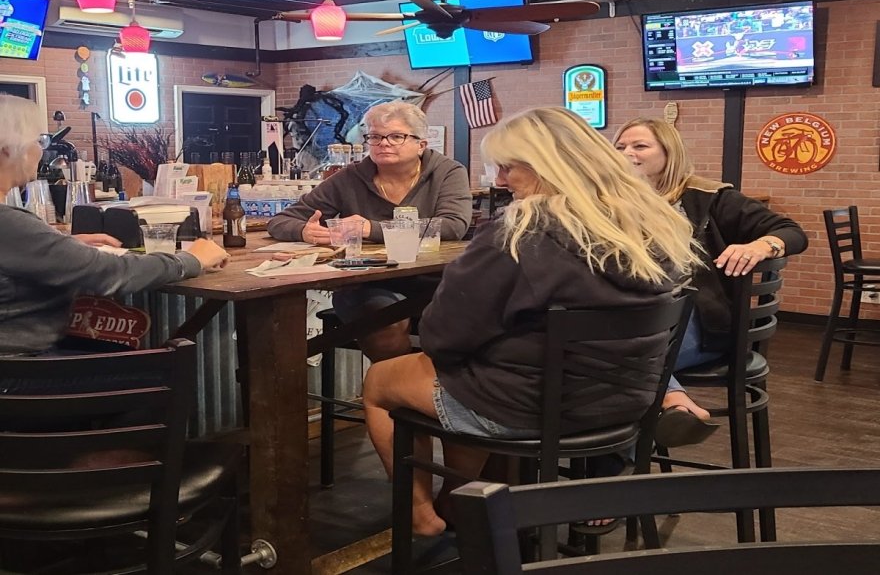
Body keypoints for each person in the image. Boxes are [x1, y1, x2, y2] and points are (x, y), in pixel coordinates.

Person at [362, 106, 702, 536]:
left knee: (382, 381)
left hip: (530, 406)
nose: (501, 180)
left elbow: (441, 336)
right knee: (468, 368)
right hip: (626, 403)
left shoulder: (521, 232)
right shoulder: (654, 224)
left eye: (508, 167)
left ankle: (420, 515)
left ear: (546, 166)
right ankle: (459, 498)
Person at [613, 117, 808, 447]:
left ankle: (619, 466)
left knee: (606, 358)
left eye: (640, 146)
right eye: (619, 147)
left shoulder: (708, 197)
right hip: (635, 320)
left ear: (670, 152)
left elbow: (791, 232)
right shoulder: (607, 202)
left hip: (702, 323)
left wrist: (761, 246)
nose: (626, 153)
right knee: (604, 351)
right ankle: (673, 405)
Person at [0, 94, 230, 364]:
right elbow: (111, 273)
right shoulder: (9, 224)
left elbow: (19, 251)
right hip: (23, 371)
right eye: (39, 141)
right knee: (173, 361)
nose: (42, 151)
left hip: (21, 363)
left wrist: (62, 245)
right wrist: (191, 260)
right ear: (7, 150)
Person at [268, 101, 472, 360]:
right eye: (375, 137)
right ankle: (397, 383)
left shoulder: (447, 172)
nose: (383, 143)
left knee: (473, 322)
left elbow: (453, 225)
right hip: (365, 282)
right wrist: (304, 232)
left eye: (396, 136)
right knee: (384, 324)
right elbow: (281, 221)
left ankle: (433, 382)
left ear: (421, 144)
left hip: (433, 279)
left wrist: (370, 229)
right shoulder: (350, 177)